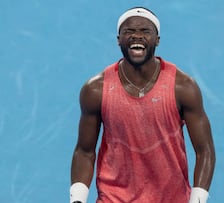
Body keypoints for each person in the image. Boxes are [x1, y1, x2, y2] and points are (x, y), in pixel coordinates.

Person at [70, 7, 215, 203]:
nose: (136, 36)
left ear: (157, 39)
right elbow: (85, 151)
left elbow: (204, 150)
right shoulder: (95, 90)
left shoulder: (183, 88)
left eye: (145, 31)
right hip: (114, 198)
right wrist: (77, 200)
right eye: (128, 31)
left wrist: (198, 200)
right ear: (118, 39)